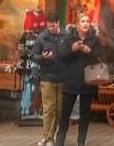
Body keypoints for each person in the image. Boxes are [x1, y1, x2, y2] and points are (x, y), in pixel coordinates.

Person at [55, 13, 101, 146]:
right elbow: (62, 56)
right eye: (83, 21)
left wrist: (89, 52)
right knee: (65, 113)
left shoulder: (94, 39)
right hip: (71, 81)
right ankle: (60, 141)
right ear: (77, 24)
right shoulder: (69, 38)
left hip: (88, 82)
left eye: (88, 21)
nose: (86, 24)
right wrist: (73, 49)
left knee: (85, 114)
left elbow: (100, 56)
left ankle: (81, 142)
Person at [31, 12, 63, 146]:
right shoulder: (41, 38)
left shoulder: (66, 36)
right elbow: (33, 55)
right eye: (49, 26)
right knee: (49, 108)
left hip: (62, 77)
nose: (51, 28)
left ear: (58, 23)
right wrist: (42, 58)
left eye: (53, 26)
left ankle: (53, 135)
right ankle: (47, 137)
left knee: (59, 109)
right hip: (47, 76)